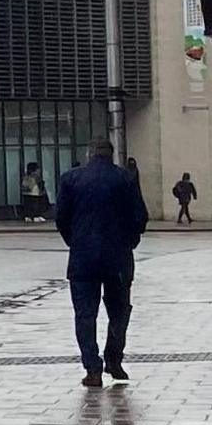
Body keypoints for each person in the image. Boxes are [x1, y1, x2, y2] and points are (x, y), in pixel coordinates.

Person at [51, 140, 149, 387]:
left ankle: (92, 368)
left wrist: (75, 240)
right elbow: (140, 216)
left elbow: (61, 217)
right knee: (119, 310)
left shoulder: (70, 179)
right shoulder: (125, 179)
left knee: (85, 314)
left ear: (89, 154)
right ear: (111, 155)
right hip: (118, 257)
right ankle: (114, 358)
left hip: (83, 257)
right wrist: (129, 242)